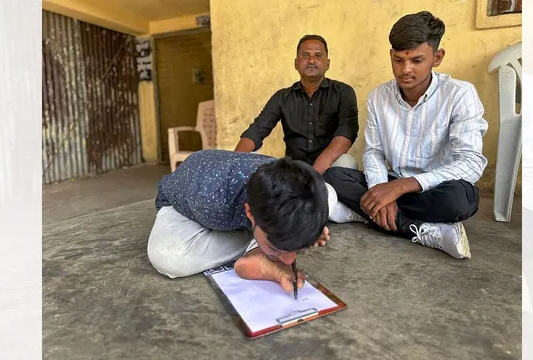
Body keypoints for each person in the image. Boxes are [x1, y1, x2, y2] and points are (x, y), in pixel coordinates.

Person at [324, 11, 488, 259]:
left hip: (435, 188)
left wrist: (402, 187)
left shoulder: (460, 95)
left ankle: (364, 213)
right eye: (398, 60)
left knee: (461, 199)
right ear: (391, 55)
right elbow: (374, 152)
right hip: (392, 180)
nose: (405, 70)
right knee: (335, 175)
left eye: (416, 60)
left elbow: (471, 163)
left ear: (437, 57)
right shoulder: (379, 97)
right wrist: (381, 189)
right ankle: (420, 229)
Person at [147, 149, 336, 292]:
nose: (291, 259)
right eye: (276, 249)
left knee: (328, 194)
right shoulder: (211, 203)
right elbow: (215, 213)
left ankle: (261, 246)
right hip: (185, 205)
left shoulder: (282, 176)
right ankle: (255, 252)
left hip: (241, 202)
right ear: (250, 213)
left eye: (297, 250)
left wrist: (306, 228)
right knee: (167, 257)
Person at [234, 34, 359, 175]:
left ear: (327, 63)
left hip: (329, 167)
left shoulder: (342, 92)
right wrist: (232, 163)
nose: (311, 60)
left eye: (318, 55)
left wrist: (314, 175)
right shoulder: (282, 97)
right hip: (294, 169)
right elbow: (257, 131)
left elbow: (346, 134)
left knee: (346, 162)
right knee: (258, 167)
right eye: (305, 55)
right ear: (296, 63)